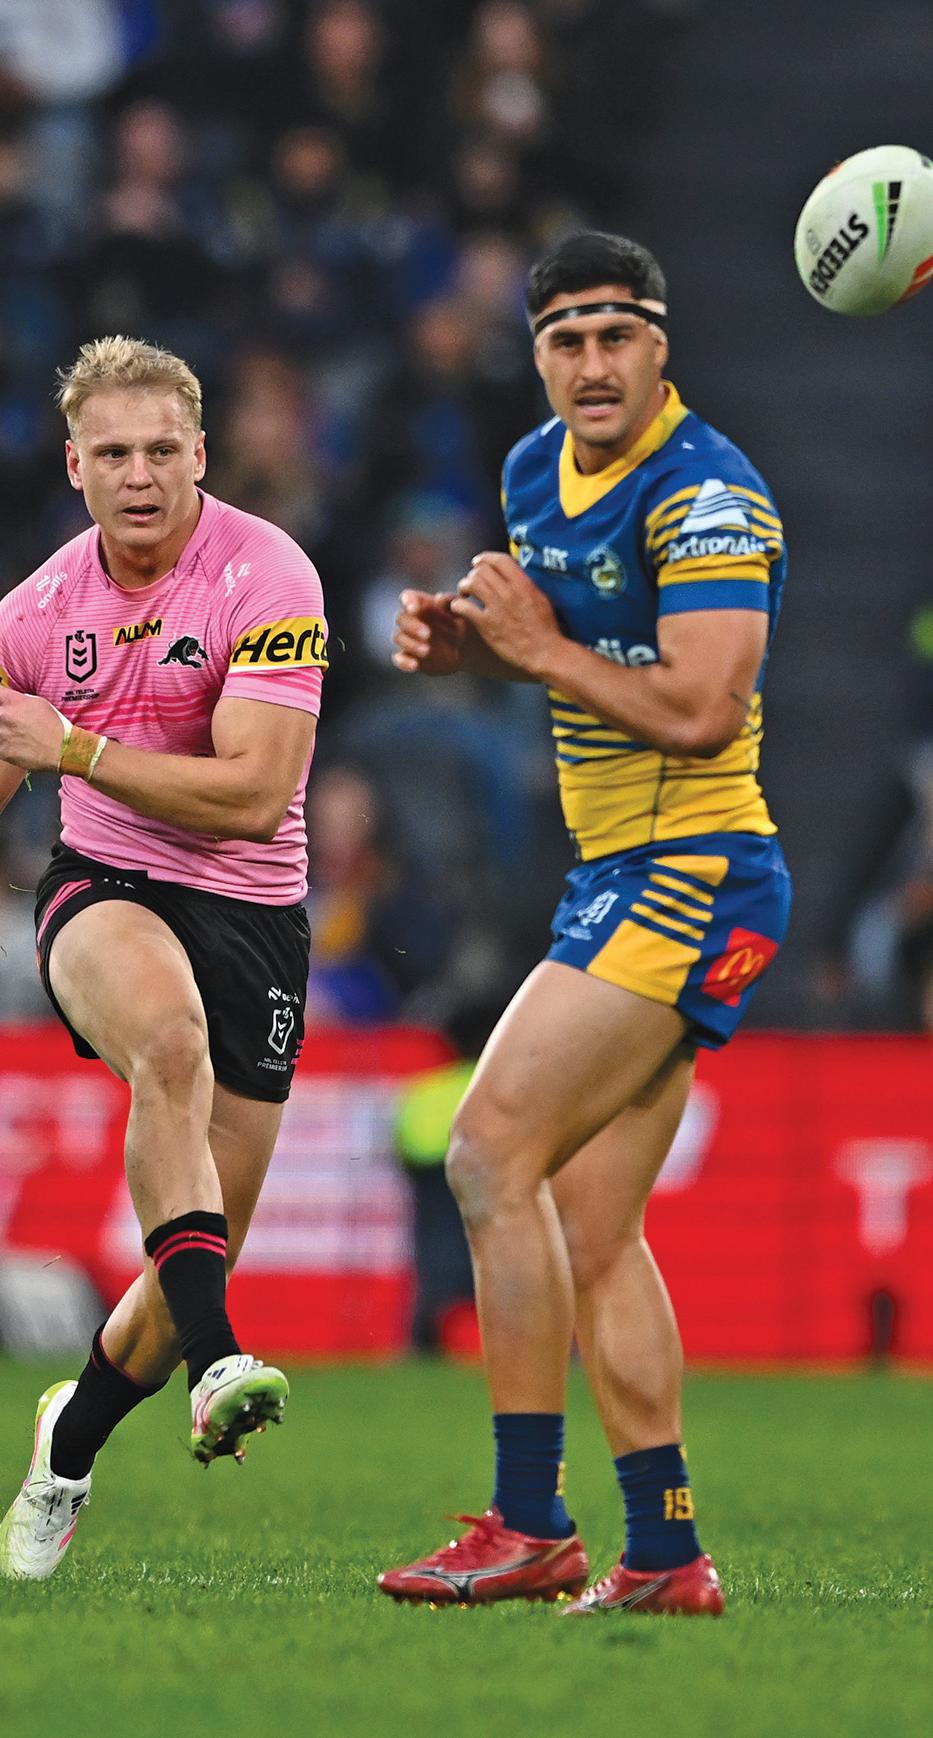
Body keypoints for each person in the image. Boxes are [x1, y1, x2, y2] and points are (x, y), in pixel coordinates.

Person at [379, 230, 791, 1615]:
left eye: (618, 335)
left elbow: (701, 707)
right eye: (566, 338)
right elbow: (567, 658)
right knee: (591, 1224)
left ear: (660, 345)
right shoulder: (528, 472)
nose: (593, 363)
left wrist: (539, 647)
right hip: (624, 870)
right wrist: (471, 648)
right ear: (538, 353)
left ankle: (527, 1520)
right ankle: (665, 1550)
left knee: (488, 1150)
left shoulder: (709, 494)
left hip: (694, 869)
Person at [0, 335, 327, 1579]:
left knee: (195, 1244)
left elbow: (253, 796)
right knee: (168, 1041)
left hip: (253, 911)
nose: (138, 476)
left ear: (200, 454)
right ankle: (221, 1360)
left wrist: (73, 747)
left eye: (159, 451)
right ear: (73, 467)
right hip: (106, 885)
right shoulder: (32, 616)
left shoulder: (267, 574)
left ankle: (69, 1443)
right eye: (112, 454)